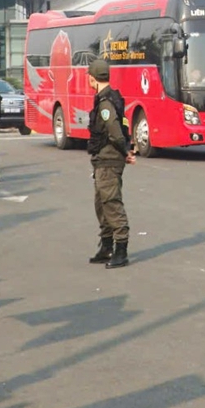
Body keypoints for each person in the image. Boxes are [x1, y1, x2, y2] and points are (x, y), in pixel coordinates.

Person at [85, 58, 134, 267]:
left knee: (111, 203)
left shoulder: (105, 103)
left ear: (92, 78)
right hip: (103, 159)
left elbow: (114, 130)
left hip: (109, 158)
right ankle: (106, 246)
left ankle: (120, 249)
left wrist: (125, 151)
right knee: (101, 203)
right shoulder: (110, 97)